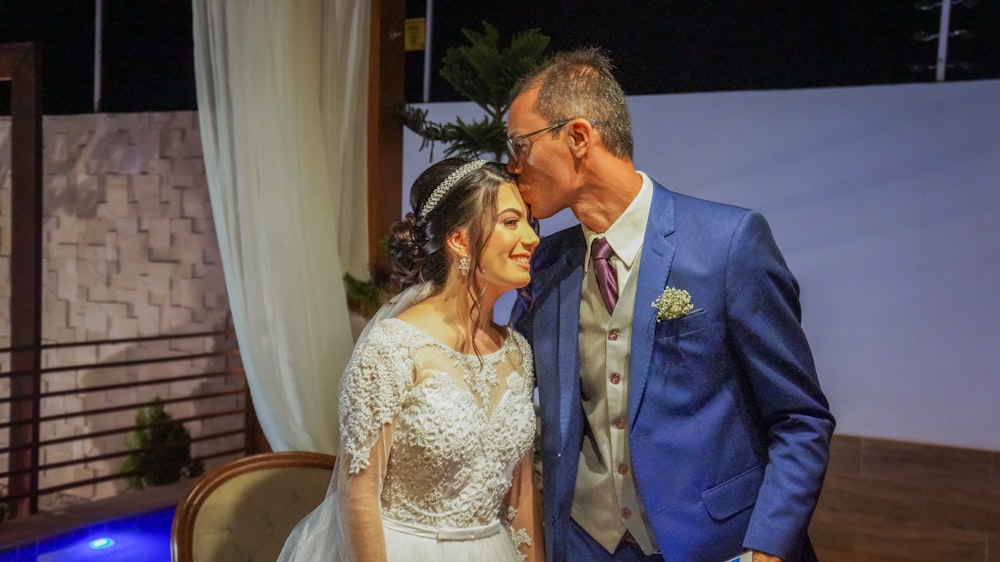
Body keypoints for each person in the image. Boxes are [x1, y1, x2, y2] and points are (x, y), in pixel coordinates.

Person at [507, 48, 835, 562]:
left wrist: (766, 550)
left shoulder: (728, 244)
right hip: (583, 543)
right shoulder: (546, 266)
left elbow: (800, 417)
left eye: (519, 144)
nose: (511, 164)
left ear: (577, 138)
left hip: (714, 545)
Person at [278, 158, 544, 562]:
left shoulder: (517, 353)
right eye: (511, 222)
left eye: (528, 222)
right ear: (459, 241)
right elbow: (358, 494)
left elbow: (521, 492)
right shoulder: (394, 346)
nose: (532, 238)